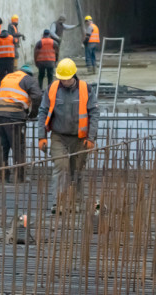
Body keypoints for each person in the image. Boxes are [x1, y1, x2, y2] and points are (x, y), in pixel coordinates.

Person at [37, 58, 99, 213]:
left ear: (74, 75)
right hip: (59, 136)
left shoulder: (86, 89)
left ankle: (77, 203)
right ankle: (58, 204)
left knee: (77, 170)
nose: (64, 81)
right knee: (61, 168)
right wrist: (41, 136)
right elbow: (43, 112)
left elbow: (94, 113)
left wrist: (91, 138)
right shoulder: (52, 89)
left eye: (67, 79)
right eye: (61, 79)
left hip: (80, 138)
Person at [0, 65, 42, 183]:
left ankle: (2, 176)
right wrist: (33, 113)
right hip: (14, 116)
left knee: (1, 147)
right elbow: (37, 96)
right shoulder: (28, 79)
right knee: (18, 147)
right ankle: (19, 177)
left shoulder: (7, 77)